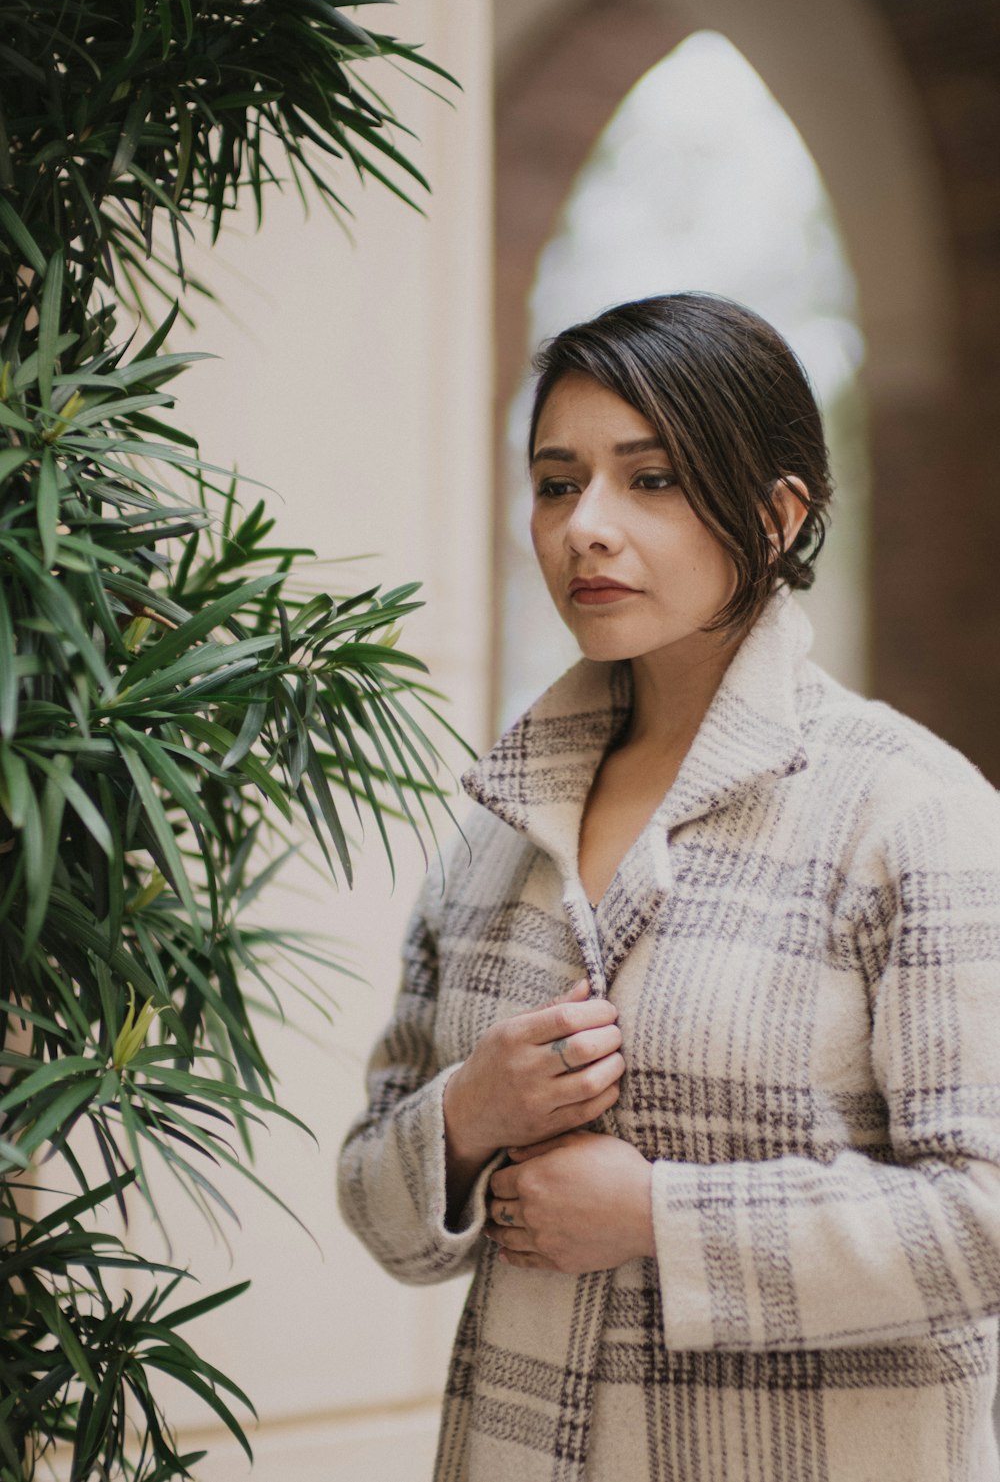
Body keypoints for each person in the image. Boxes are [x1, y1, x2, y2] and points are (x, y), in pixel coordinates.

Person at [337, 293, 1000, 1482]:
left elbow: (984, 1219)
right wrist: (469, 1115)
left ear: (775, 511)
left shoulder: (906, 811)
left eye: (649, 479)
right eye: (555, 482)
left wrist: (661, 1217)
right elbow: (381, 1205)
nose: (584, 526)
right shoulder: (499, 823)